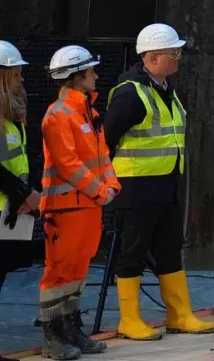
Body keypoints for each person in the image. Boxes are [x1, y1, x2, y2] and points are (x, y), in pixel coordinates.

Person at [105, 23, 214, 338]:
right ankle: (129, 320)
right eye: (172, 53)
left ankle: (179, 314)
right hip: (136, 188)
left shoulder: (165, 89)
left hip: (166, 185)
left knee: (169, 249)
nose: (178, 58)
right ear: (152, 57)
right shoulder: (130, 92)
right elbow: (106, 139)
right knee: (133, 253)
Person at [38, 45, 118, 360]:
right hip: (66, 209)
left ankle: (70, 329)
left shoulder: (89, 112)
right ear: (77, 76)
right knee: (58, 272)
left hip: (86, 207)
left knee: (78, 270)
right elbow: (68, 164)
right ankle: (52, 336)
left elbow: (102, 156)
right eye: (91, 71)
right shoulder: (57, 115)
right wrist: (101, 190)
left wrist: (111, 183)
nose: (95, 75)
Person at [0, 42, 40, 338]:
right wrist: (23, 194)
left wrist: (26, 194)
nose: (22, 80)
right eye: (16, 75)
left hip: (10, 211)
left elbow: (21, 160)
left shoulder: (13, 119)